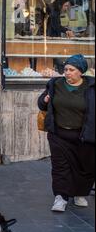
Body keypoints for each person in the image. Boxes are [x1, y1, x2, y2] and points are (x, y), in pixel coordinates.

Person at [38, 54, 95, 212]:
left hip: (84, 136)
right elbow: (41, 104)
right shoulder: (55, 84)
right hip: (58, 135)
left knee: (85, 167)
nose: (67, 72)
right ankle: (60, 197)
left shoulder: (90, 88)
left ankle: (79, 194)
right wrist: (45, 100)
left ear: (81, 71)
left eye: (71, 69)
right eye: (66, 69)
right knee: (59, 167)